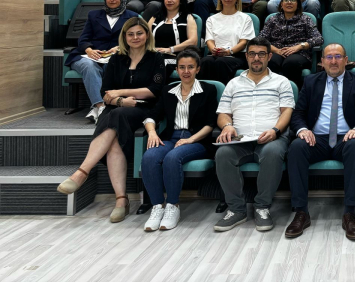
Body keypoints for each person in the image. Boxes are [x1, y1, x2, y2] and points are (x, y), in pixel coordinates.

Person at [57, 17, 166, 223]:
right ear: (124, 37)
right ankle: (121, 200)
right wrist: (120, 101)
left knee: (113, 116)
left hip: (144, 110)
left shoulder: (155, 58)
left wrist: (120, 93)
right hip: (118, 109)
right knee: (114, 135)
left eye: (139, 33)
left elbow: (154, 90)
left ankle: (82, 172)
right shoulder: (117, 58)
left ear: (147, 35)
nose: (135, 37)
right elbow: (105, 92)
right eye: (130, 34)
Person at [285, 43, 355, 241]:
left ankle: (349, 213)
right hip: (316, 139)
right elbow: (298, 113)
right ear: (322, 62)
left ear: (346, 60)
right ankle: (301, 212)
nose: (333, 61)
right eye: (329, 57)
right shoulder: (310, 81)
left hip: (346, 137)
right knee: (296, 147)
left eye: (338, 56)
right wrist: (303, 130)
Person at [213, 37, 295, 233]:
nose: (256, 58)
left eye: (261, 54)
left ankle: (262, 207)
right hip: (240, 139)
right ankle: (236, 209)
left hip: (271, 138)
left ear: (269, 57)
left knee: (272, 153)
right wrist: (227, 126)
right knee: (222, 154)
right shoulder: (233, 83)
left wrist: (275, 130)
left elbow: (287, 111)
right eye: (252, 54)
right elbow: (223, 113)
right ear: (246, 56)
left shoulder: (281, 82)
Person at [141, 48, 218, 232]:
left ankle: (173, 206)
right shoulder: (168, 90)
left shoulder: (208, 89)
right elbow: (152, 116)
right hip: (171, 137)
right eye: (182, 67)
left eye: (190, 67)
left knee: (172, 157)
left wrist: (190, 140)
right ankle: (157, 206)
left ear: (198, 69)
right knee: (149, 156)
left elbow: (210, 124)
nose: (186, 71)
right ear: (176, 69)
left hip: (197, 140)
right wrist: (152, 133)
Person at [65, 0, 139, 123]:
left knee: (110, 66)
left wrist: (120, 47)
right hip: (89, 55)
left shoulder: (132, 17)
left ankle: (97, 110)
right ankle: (101, 106)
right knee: (89, 66)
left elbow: (137, 40)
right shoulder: (94, 15)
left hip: (116, 56)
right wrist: (89, 50)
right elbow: (83, 39)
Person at [259, 0, 323, 89]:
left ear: (297, 4)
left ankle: (292, 92)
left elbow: (318, 39)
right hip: (277, 51)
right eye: (286, 0)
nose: (289, 2)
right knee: (270, 60)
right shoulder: (273, 19)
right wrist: (277, 50)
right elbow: (261, 39)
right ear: (281, 4)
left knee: (290, 63)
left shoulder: (305, 19)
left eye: (293, 0)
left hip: (299, 53)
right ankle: (270, 91)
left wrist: (298, 47)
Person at [199, 0, 255, 85]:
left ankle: (223, 93)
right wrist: (214, 50)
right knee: (206, 61)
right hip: (216, 54)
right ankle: (205, 92)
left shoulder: (246, 18)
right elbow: (209, 40)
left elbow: (244, 42)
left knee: (221, 62)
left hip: (237, 56)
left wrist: (229, 52)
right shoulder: (212, 19)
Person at [148, 0, 199, 77]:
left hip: (178, 57)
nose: (169, 0)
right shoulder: (155, 17)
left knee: (160, 64)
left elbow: (193, 41)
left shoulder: (188, 17)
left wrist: (170, 49)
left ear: (181, 0)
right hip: (154, 55)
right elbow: (144, 37)